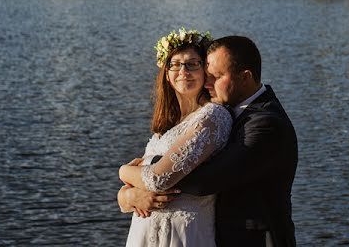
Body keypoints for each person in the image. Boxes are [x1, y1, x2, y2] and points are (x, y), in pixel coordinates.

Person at [121, 35, 298, 247]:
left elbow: (203, 181)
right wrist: (127, 195)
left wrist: (130, 170)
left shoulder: (265, 124)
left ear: (245, 77)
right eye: (208, 74)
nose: (207, 82)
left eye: (216, 76)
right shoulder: (230, 110)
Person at [119, 29, 233, 247]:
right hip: (144, 232)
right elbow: (138, 186)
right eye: (175, 64)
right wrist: (128, 197)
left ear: (205, 70)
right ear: (166, 72)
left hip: (184, 233)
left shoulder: (212, 116)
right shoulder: (168, 124)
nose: (183, 71)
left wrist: (123, 170)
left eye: (192, 64)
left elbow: (157, 180)